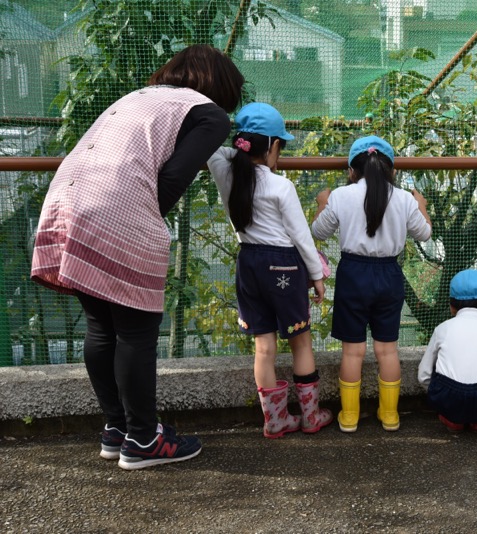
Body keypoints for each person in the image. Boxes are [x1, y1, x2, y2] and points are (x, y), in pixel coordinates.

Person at [30, 45, 244, 469]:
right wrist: (145, 218)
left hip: (65, 199)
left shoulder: (136, 98)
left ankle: (119, 429)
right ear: (219, 85)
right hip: (115, 206)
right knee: (136, 330)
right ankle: (144, 440)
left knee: (102, 325)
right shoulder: (209, 113)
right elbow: (172, 179)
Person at [206, 102, 332, 439]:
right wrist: (316, 277)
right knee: (300, 341)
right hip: (284, 266)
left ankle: (275, 421)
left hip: (248, 263)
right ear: (274, 145)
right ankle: (310, 417)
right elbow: (301, 236)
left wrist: (239, 146)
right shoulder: (281, 186)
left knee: (264, 346)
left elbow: (212, 146)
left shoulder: (223, 169)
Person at [311, 135, 431, 432]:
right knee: (387, 350)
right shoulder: (403, 199)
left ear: (352, 170)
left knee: (353, 351)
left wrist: (322, 204)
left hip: (353, 274)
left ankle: (349, 417)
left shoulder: (341, 195)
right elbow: (424, 233)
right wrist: (422, 206)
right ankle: (390, 415)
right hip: (389, 275)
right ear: (392, 171)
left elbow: (319, 232)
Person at [418, 269, 477, 433]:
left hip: (448, 399)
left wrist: (439, 396)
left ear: (451, 307)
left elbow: (423, 375)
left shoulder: (442, 329)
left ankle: (452, 419)